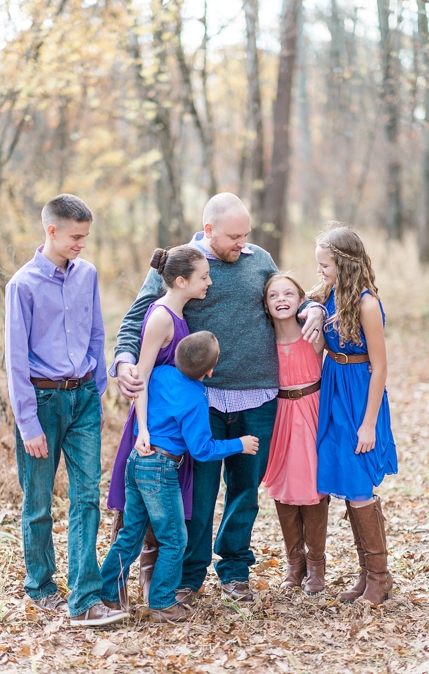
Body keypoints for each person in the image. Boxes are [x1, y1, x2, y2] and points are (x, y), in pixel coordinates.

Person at [111, 193, 326, 603]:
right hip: (202, 401)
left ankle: (234, 572)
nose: (241, 244)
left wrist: (313, 307)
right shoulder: (181, 265)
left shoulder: (258, 258)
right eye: (233, 236)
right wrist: (124, 361)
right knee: (200, 494)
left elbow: (288, 293)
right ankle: (190, 576)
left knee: (245, 492)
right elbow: (138, 318)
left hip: (259, 397)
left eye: (246, 234)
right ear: (208, 230)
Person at [5, 194, 125, 627]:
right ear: (51, 230)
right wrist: (28, 423)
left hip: (84, 401)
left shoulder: (87, 274)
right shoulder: (22, 285)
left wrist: (96, 391)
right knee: (37, 500)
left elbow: (97, 333)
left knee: (86, 498)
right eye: (76, 236)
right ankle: (40, 586)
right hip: (41, 402)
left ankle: (85, 595)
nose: (82, 244)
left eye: (86, 237)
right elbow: (16, 359)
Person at [100, 332, 259, 622]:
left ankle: (106, 592)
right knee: (174, 539)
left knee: (131, 534)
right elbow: (202, 449)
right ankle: (161, 603)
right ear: (209, 371)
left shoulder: (159, 373)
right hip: (160, 469)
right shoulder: (196, 399)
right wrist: (240, 444)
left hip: (137, 461)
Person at [105, 246, 210, 602]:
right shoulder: (162, 317)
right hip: (152, 431)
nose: (209, 282)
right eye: (204, 277)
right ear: (181, 281)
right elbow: (142, 378)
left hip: (168, 427)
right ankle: (132, 592)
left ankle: (124, 589)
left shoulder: (179, 313)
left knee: (144, 520)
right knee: (137, 523)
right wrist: (144, 431)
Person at [310, 224, 396, 606]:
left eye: (325, 265)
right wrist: (312, 308)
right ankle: (366, 575)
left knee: (360, 482)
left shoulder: (366, 303)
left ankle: (380, 576)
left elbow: (380, 367)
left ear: (343, 264)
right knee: (346, 478)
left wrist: (368, 423)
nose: (320, 272)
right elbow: (297, 297)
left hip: (359, 393)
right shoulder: (328, 295)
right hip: (333, 389)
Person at [261, 273, 329, 594]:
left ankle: (316, 563)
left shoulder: (313, 335)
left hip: (312, 410)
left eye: (289, 293)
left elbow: (326, 308)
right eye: (273, 296)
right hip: (280, 414)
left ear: (301, 300)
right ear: (266, 304)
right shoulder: (263, 342)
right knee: (283, 482)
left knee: (312, 482)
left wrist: (317, 308)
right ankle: (295, 563)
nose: (281, 299)